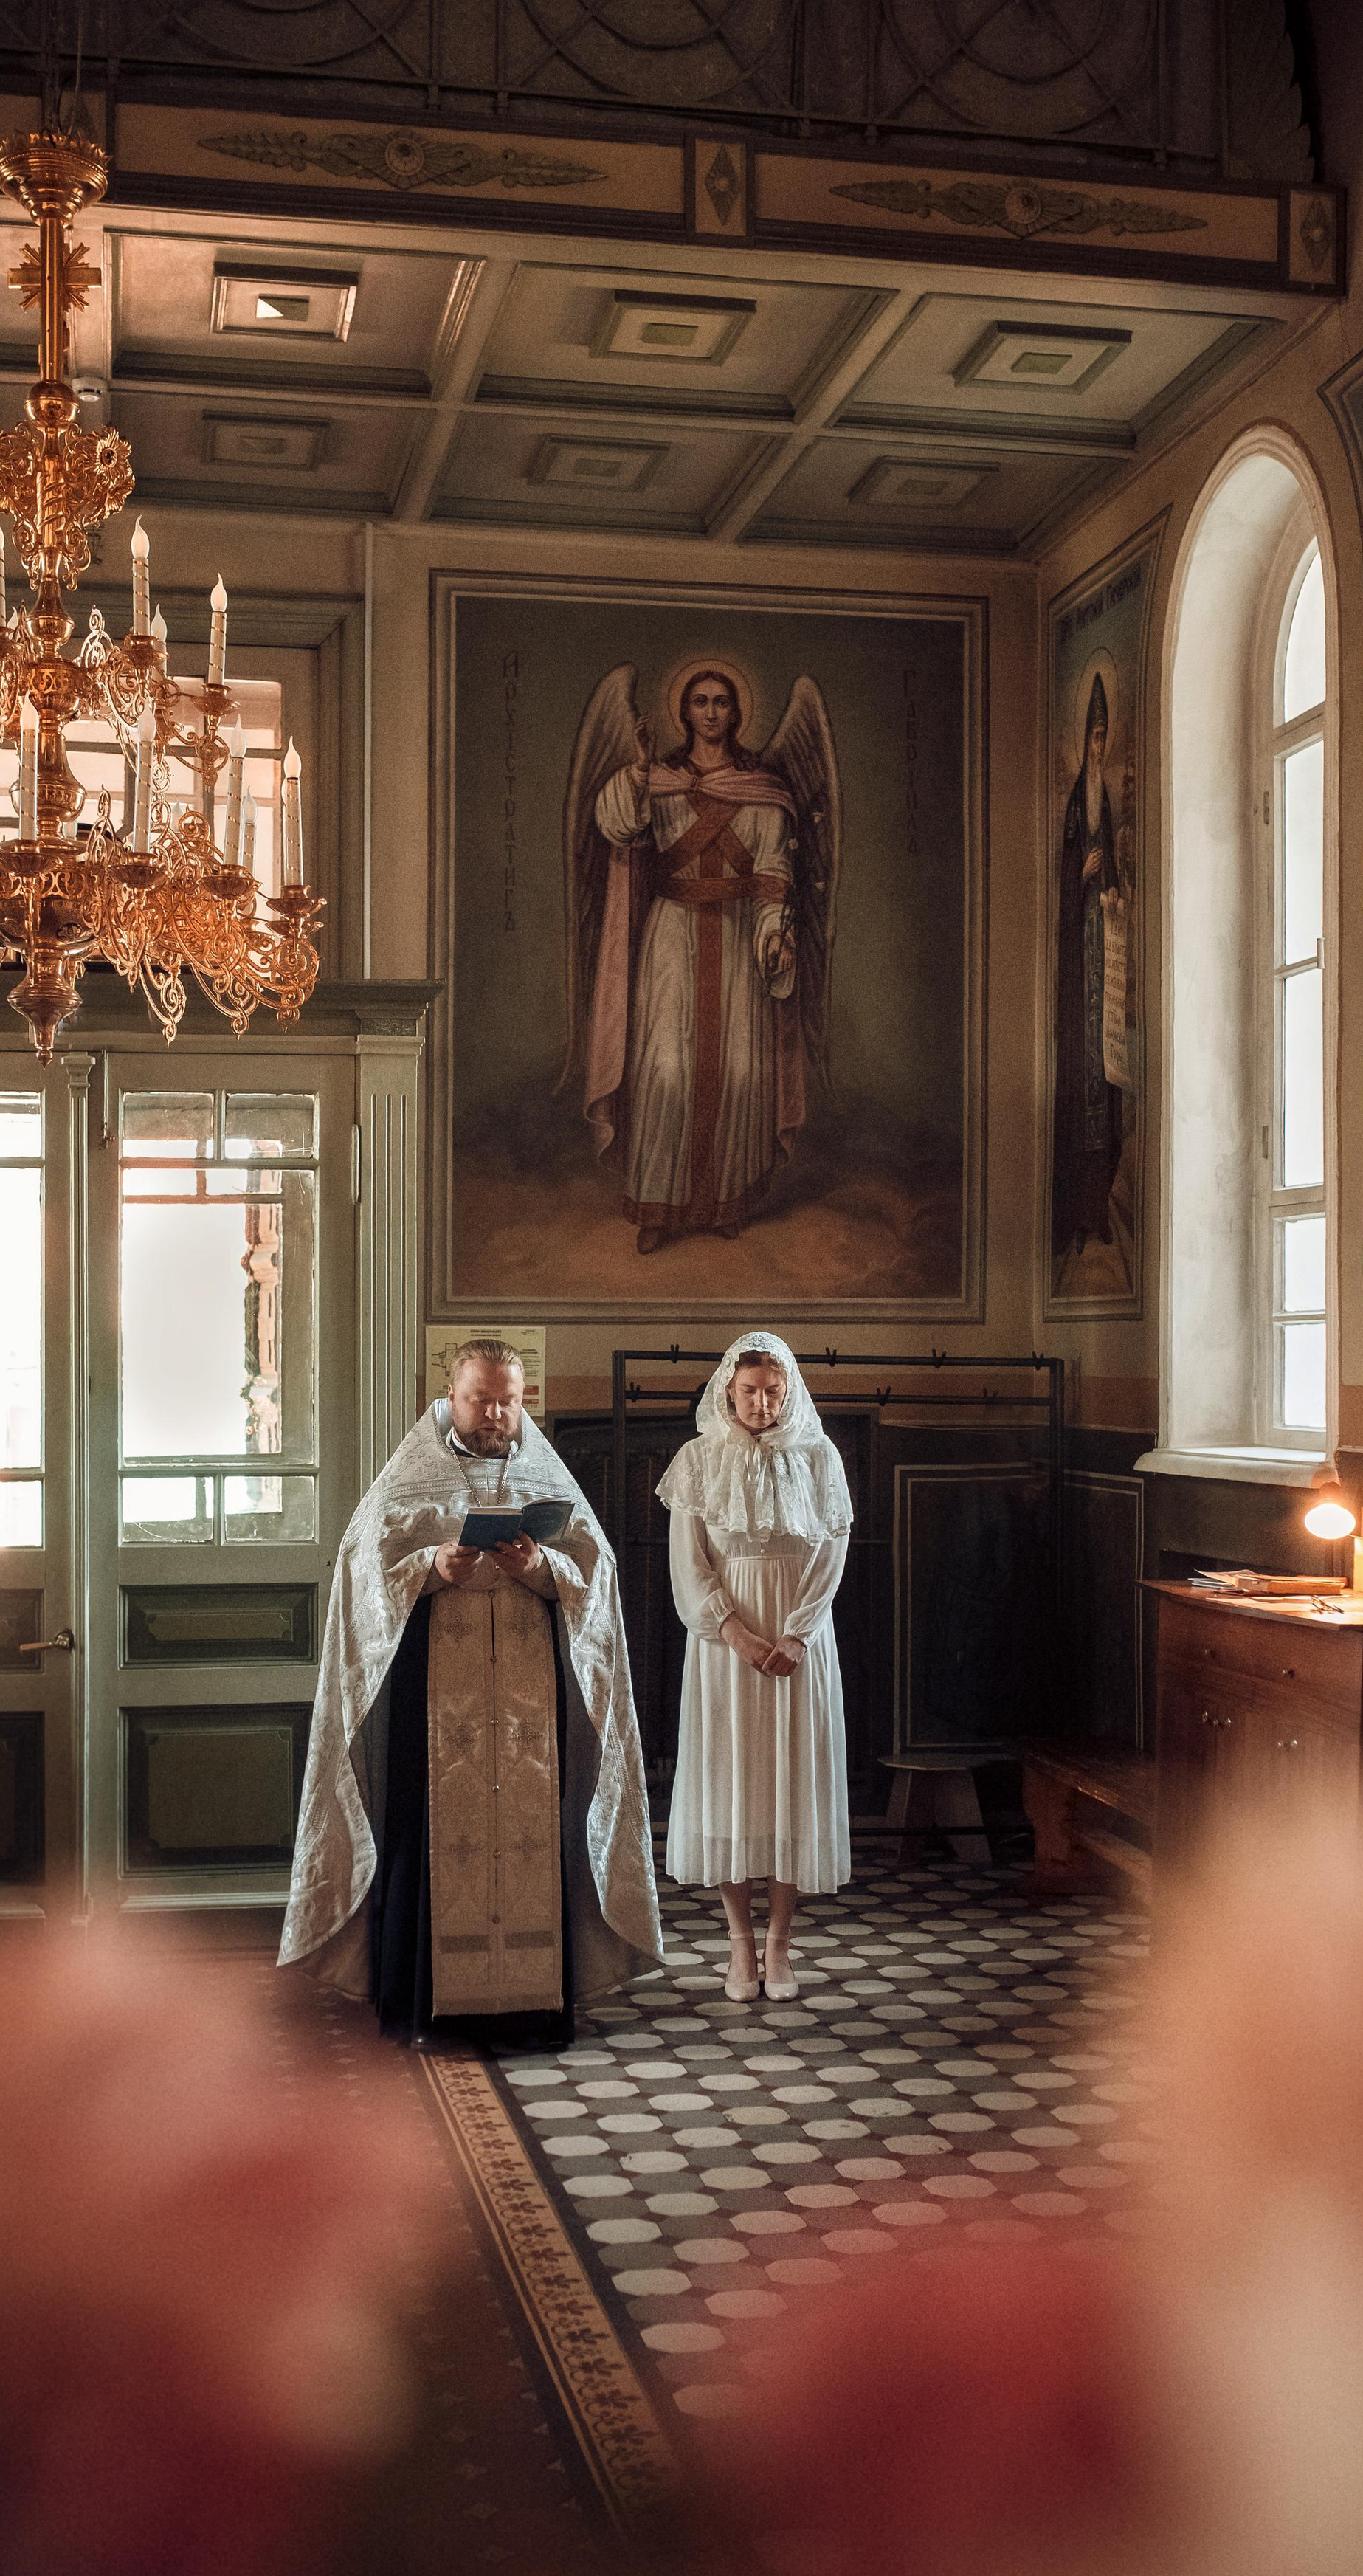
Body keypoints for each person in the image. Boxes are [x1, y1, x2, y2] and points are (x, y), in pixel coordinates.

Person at [280, 1340, 661, 2046]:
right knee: (431, 1840)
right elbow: (362, 1567)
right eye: (480, 1398)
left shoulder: (546, 1472)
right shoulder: (410, 1474)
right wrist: (428, 1564)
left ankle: (534, 2008)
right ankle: (425, 2006)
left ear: (525, 1399)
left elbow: (597, 1576)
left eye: (508, 1400)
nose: (494, 1413)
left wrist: (544, 1566)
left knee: (532, 1837)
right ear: (450, 1396)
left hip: (530, 1709)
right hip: (434, 1703)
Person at [564, 661, 838, 1258]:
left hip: (739, 938)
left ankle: (723, 1202)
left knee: (738, 1070)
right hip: (670, 939)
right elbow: (618, 825)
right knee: (665, 1071)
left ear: (736, 713)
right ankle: (659, 1206)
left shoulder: (762, 788)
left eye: (721, 702)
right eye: (700, 701)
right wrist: (637, 770)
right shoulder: (654, 779)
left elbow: (773, 873)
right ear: (683, 711)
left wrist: (774, 935)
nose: (712, 712)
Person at [658, 1332, 853, 2002]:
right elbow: (689, 1563)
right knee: (729, 1780)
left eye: (774, 1391)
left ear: (789, 1390)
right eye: (750, 1392)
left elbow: (831, 1552)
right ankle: (740, 1940)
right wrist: (733, 1631)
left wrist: (798, 1635)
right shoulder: (697, 1460)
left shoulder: (820, 1457)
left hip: (801, 1642)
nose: (762, 1403)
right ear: (727, 1392)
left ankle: (781, 1940)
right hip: (724, 1645)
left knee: (791, 1781)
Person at [1050, 670, 1125, 1257]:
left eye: (1104, 736)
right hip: (1081, 965)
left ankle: (1100, 1210)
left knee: (1108, 1084)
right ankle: (1078, 1211)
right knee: (1081, 1088)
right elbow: (1064, 875)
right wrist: (1081, 878)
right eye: (1092, 737)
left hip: (1109, 949)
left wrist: (1114, 892)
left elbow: (1117, 866)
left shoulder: (1111, 798)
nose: (1098, 746)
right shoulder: (1080, 800)